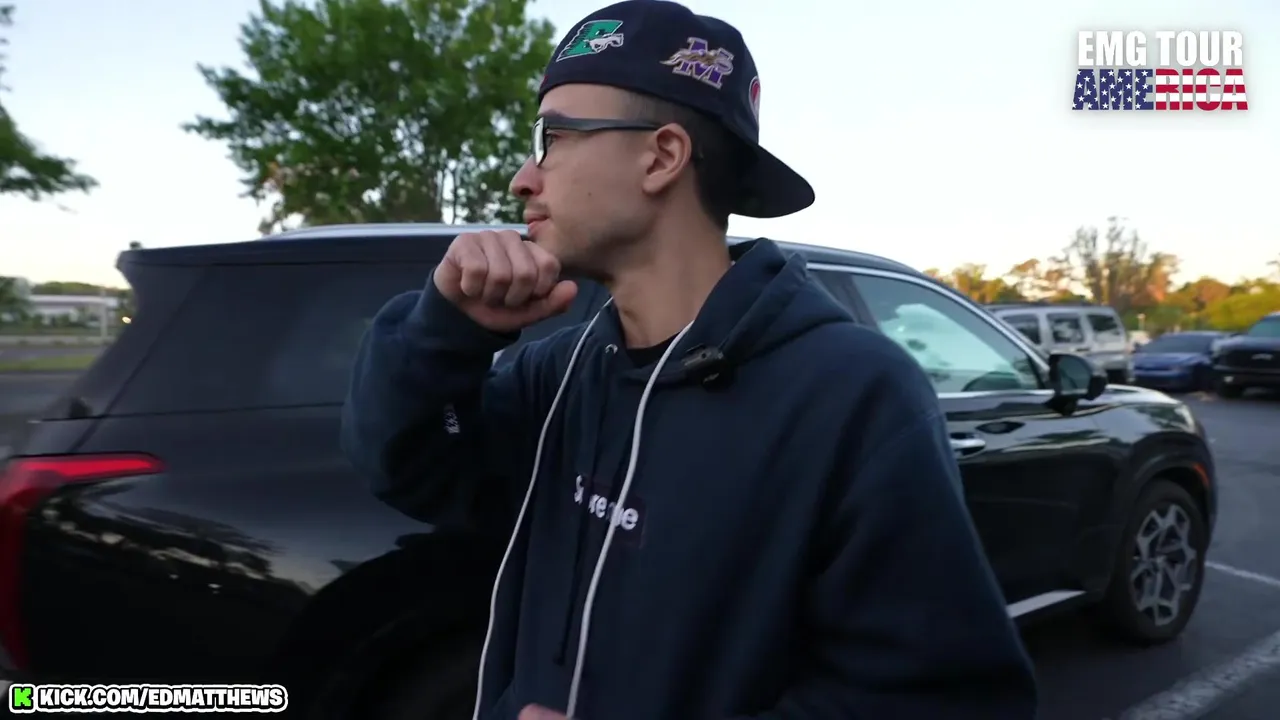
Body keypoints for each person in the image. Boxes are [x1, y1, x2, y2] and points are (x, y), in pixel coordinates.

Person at [339, 1, 1038, 718]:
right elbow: (406, 467)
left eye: (551, 137)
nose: (523, 177)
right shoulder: (563, 373)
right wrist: (445, 331)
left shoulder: (852, 395)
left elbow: (942, 699)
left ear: (662, 157)